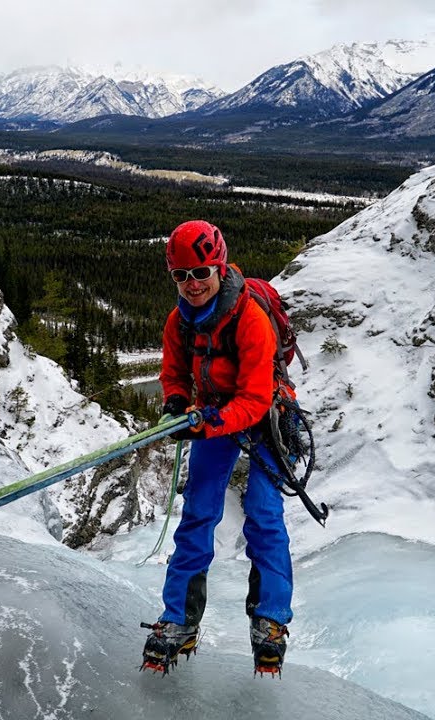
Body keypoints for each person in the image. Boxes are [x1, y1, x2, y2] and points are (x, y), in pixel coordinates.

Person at [141, 219, 294, 678]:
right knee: (198, 515)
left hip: (267, 416)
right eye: (180, 275)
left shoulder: (249, 319)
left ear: (219, 265)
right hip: (209, 415)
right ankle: (179, 619)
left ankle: (270, 618)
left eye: (200, 272)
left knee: (264, 514)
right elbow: (174, 372)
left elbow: (254, 398)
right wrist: (175, 399)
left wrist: (204, 425)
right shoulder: (178, 322)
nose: (191, 284)